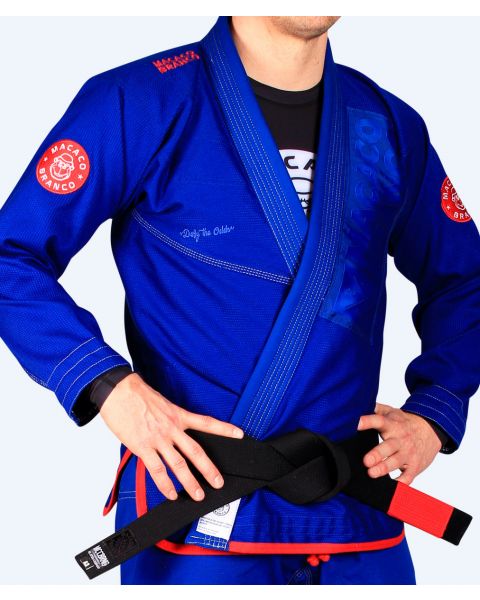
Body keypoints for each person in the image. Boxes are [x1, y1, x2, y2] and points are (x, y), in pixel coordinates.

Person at [0, 16, 478, 585]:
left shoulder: (388, 124)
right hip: (196, 515)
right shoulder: (140, 101)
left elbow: (464, 279)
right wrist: (106, 387)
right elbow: (11, 257)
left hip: (353, 518)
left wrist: (436, 409)